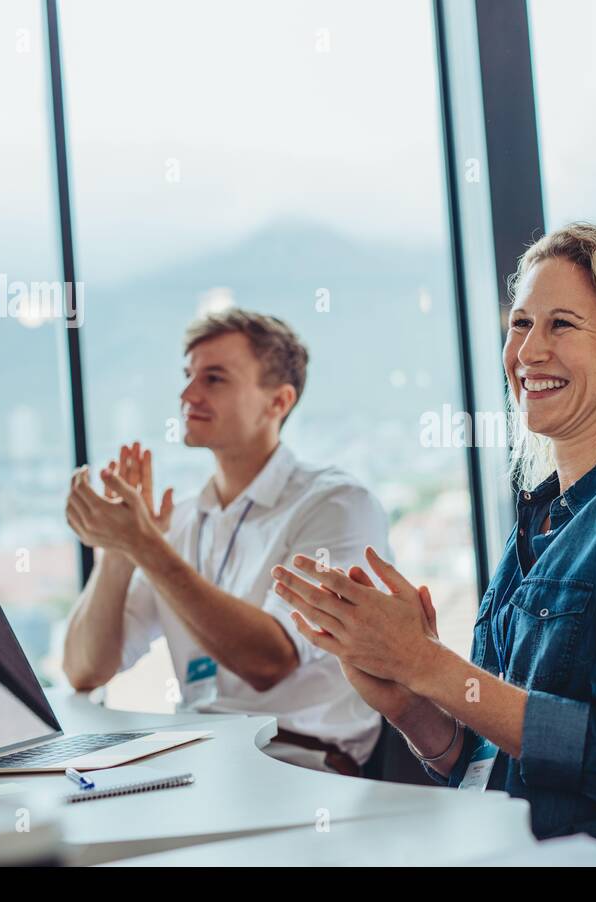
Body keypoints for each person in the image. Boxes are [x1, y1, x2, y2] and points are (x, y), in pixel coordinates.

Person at [270, 223, 596, 856]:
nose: (528, 351)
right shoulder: (543, 517)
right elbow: (485, 762)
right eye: (520, 324)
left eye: (562, 325)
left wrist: (428, 664)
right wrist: (408, 699)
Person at [62, 308, 389, 775]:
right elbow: (85, 670)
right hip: (202, 755)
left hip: (296, 763)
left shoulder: (335, 506)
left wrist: (145, 546)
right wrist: (118, 553)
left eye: (214, 379)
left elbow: (267, 662)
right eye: (188, 376)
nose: (187, 394)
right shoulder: (178, 521)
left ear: (277, 403)